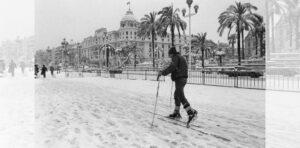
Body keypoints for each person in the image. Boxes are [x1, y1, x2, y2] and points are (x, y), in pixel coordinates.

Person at [157, 47, 198, 125]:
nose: (170, 57)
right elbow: (175, 67)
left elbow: (172, 67)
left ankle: (191, 112)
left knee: (180, 95)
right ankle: (176, 112)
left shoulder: (176, 57)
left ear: (172, 54)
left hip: (180, 78)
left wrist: (162, 72)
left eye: (170, 55)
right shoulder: (179, 57)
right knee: (177, 95)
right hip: (181, 78)